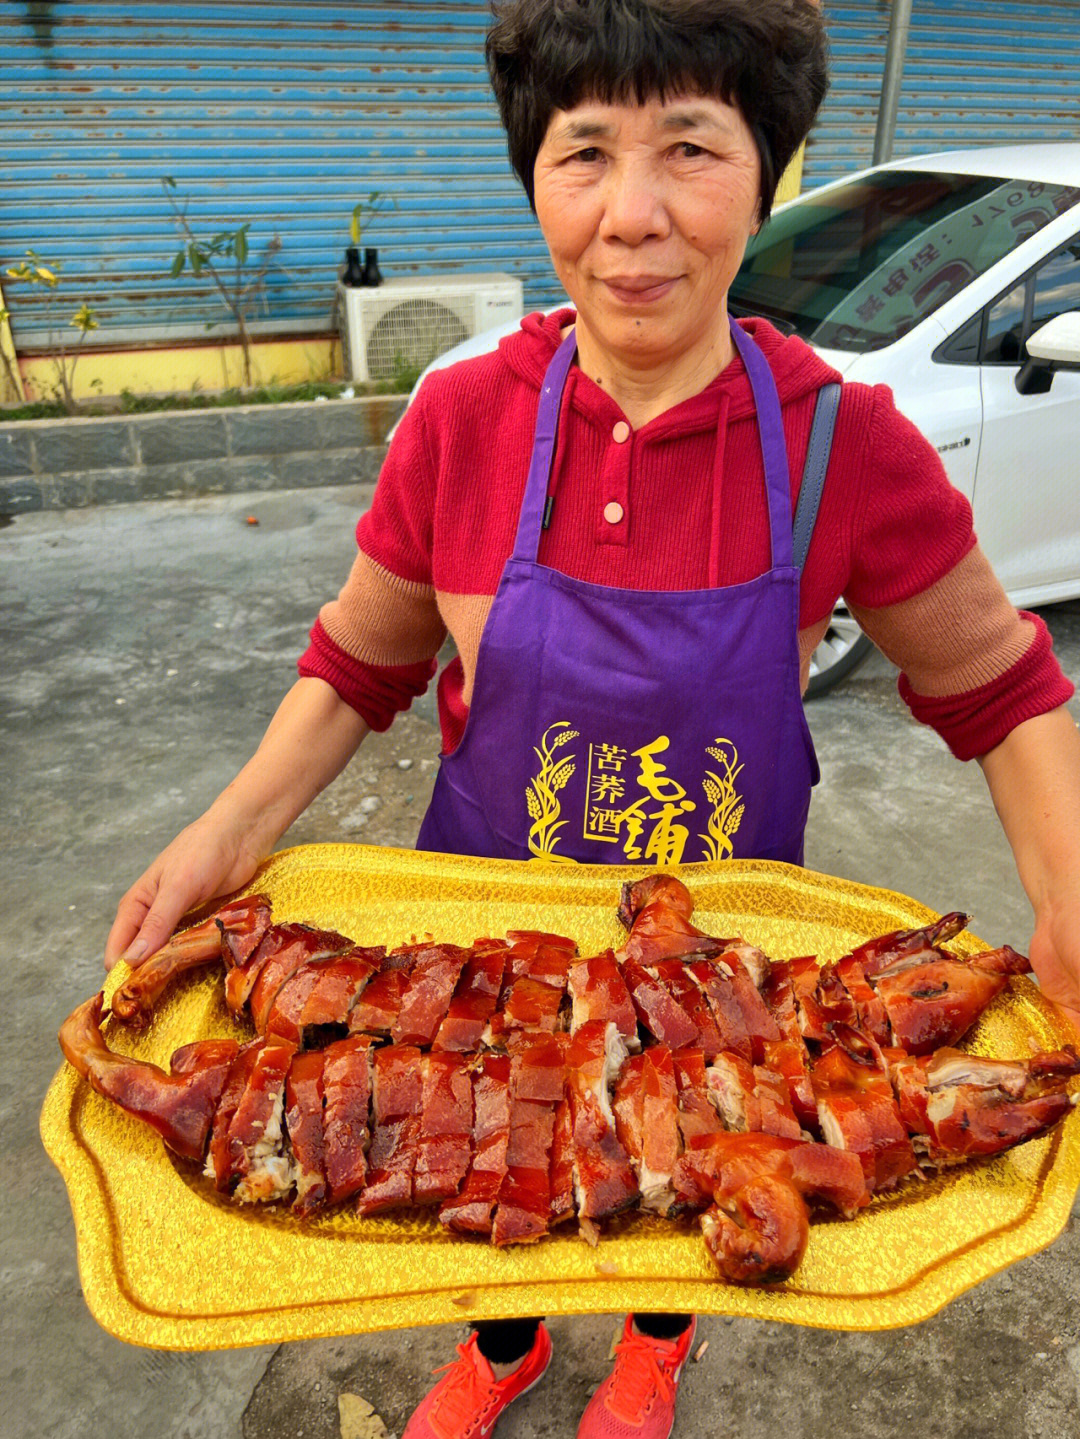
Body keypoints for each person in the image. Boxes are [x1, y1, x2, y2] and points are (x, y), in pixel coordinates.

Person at [106, 2, 1080, 1436]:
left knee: (696, 1169)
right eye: (584, 154)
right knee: (478, 1175)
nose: (633, 217)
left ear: (770, 171)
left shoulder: (840, 441)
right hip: (477, 972)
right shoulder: (459, 421)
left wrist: (1066, 904)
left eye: (691, 148)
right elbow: (354, 670)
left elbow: (1005, 692)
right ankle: (500, 1355)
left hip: (717, 984)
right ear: (533, 177)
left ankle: (653, 1347)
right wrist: (221, 833)